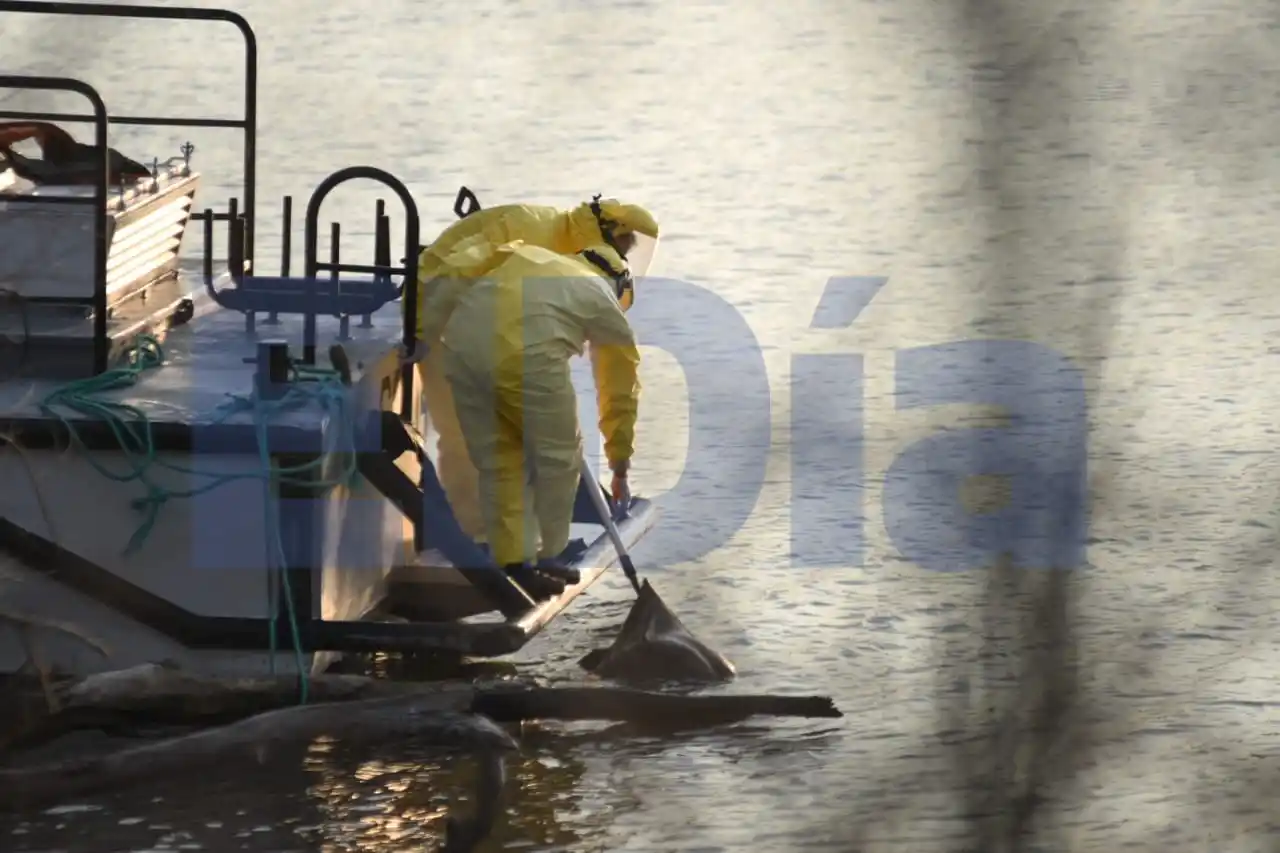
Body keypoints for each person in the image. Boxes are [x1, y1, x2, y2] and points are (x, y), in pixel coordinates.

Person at [408, 196, 659, 545]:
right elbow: (454, 272)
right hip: (439, 305)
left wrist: (619, 462)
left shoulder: (573, 259)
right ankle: (479, 540)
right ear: (606, 234)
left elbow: (616, 385)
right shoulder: (535, 233)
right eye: (622, 248)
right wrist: (421, 330)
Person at [436, 239, 642, 600]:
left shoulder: (533, 254)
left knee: (500, 462)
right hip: (524, 357)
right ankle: (550, 557)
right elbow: (619, 392)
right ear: (620, 283)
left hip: (460, 344)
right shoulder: (601, 296)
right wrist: (620, 464)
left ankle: (515, 564)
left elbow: (468, 262)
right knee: (560, 459)